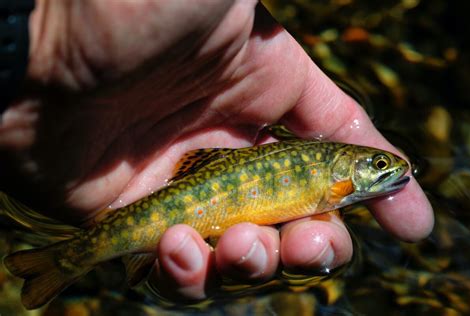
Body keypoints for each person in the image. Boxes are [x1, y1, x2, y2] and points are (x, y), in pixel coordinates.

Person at [0, 0, 433, 300]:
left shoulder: (329, 170)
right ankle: (65, 259)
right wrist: (51, 43)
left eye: (380, 164)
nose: (388, 169)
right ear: (347, 171)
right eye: (378, 164)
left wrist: (38, 43)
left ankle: (67, 257)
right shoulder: (332, 184)